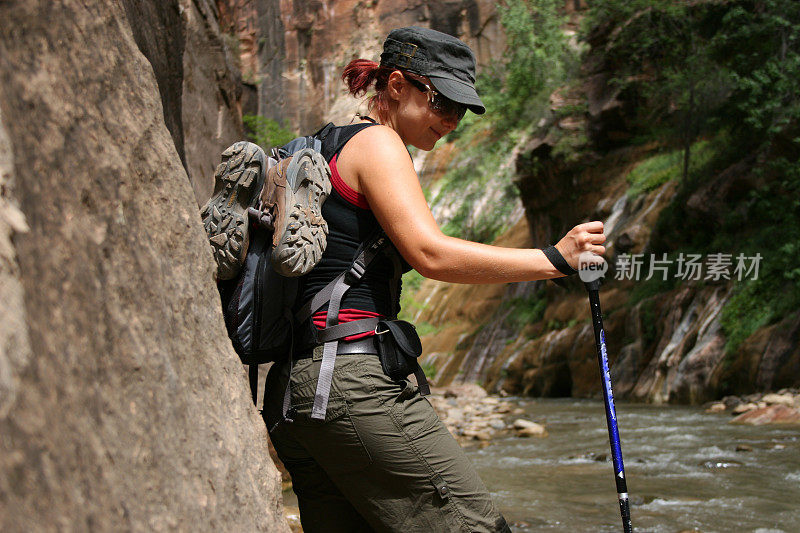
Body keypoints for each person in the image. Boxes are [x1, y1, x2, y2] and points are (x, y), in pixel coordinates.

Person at [257, 26, 606, 532]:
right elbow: (430, 254)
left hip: (295, 396)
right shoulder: (379, 144)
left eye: (461, 111)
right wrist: (555, 258)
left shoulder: (323, 145)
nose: (451, 121)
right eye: (443, 103)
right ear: (396, 84)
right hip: (351, 385)